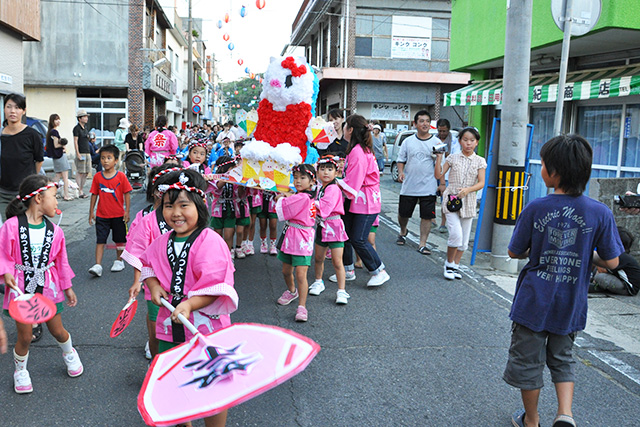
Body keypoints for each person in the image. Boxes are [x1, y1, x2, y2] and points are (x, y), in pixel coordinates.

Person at [504, 134, 624, 427]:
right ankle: (565, 414)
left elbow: (514, 250)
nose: (541, 169)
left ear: (554, 172)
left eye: (543, 164)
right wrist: (583, 253)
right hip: (570, 301)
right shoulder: (600, 212)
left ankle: (531, 420)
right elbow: (612, 262)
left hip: (533, 300)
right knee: (562, 358)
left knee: (529, 362)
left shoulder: (536, 208)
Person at [140, 169, 238, 427]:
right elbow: (147, 265)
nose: (176, 213)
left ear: (200, 205)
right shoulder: (162, 241)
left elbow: (217, 284)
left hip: (205, 327)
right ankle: (184, 421)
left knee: (213, 384)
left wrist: (190, 303)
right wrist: (153, 285)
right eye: (169, 206)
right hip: (168, 326)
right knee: (175, 380)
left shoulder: (210, 241)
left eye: (184, 205)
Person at [1, 174, 83, 394]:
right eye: (54, 196)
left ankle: (69, 353)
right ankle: (20, 370)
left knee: (57, 331)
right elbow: (3, 255)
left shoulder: (56, 231)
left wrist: (68, 287)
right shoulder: (10, 226)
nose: (57, 201)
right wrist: (6, 272)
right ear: (38, 198)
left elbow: (61, 261)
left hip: (48, 288)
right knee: (25, 336)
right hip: (20, 289)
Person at [123, 165, 178, 360]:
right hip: (155, 283)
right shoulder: (146, 219)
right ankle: (156, 364)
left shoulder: (184, 218)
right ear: (157, 192)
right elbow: (139, 254)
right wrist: (138, 281)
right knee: (156, 324)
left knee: (181, 328)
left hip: (184, 285)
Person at [335, 114, 390, 287]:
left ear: (350, 130)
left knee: (357, 238)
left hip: (365, 201)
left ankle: (378, 270)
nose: (343, 129)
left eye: (345, 126)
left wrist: (334, 181)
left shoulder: (358, 151)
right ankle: (348, 269)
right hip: (362, 199)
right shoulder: (361, 149)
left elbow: (353, 184)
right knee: (347, 234)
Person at [434, 127, 486, 280]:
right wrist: (439, 158)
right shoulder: (452, 158)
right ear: (460, 141)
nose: (468, 143)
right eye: (465, 140)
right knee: (456, 235)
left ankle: (455, 266)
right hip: (451, 199)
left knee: (463, 242)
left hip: (468, 201)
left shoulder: (480, 161)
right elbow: (438, 175)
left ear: (476, 142)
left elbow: (481, 183)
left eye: (472, 140)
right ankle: (449, 264)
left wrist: (468, 190)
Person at [396, 110, 443, 255]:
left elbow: (442, 165)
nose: (425, 124)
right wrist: (401, 172)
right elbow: (400, 159)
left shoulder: (437, 143)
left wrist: (442, 184)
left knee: (427, 216)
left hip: (428, 186)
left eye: (427, 121)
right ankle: (403, 230)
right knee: (403, 214)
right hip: (409, 185)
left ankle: (422, 244)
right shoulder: (408, 141)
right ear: (415, 124)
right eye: (421, 121)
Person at [275, 164, 317, 322]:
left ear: (311, 181)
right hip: (290, 235)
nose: (298, 181)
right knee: (286, 270)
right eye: (296, 177)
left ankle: (302, 306)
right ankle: (292, 291)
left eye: (303, 178)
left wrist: (281, 197)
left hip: (302, 238)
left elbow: (287, 205)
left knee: (301, 274)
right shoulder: (300, 195)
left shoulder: (303, 197)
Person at [88, 144, 133, 277]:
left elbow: (127, 193)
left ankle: (119, 261)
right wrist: (91, 212)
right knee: (100, 240)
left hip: (118, 215)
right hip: (102, 215)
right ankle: (98, 265)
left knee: (119, 239)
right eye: (102, 158)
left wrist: (127, 211)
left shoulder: (121, 177)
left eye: (109, 158)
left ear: (115, 160)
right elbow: (94, 194)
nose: (105, 161)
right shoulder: (97, 177)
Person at [309, 156, 349, 304]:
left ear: (335, 171)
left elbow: (324, 208)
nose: (326, 172)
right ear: (318, 171)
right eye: (323, 169)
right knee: (318, 258)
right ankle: (318, 281)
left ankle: (342, 291)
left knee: (337, 262)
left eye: (330, 169)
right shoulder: (320, 187)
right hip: (322, 226)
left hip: (334, 227)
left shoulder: (333, 188)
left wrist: (310, 202)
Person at [0, 94, 45, 219]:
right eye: (9, 107)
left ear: (23, 111)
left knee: (23, 230)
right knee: (7, 230)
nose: (12, 111)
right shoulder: (1, 135)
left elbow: (39, 160)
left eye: (17, 107)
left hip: (25, 194)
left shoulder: (32, 135)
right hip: (2, 193)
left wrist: (29, 181)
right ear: (4, 109)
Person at [209, 156, 249, 259]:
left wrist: (240, 185)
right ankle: (218, 255)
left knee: (229, 234)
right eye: (232, 168)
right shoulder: (215, 177)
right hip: (218, 208)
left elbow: (240, 195)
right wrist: (227, 177)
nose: (234, 170)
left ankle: (227, 256)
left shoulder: (236, 178)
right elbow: (216, 189)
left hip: (231, 209)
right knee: (218, 235)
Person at [589, 226, 640, 296]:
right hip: (618, 279)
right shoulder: (621, 255)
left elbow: (602, 269)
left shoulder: (621, 257)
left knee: (600, 277)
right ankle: (595, 283)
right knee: (596, 270)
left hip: (628, 287)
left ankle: (598, 287)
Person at [435, 118, 461, 234]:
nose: (442, 134)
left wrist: (446, 154)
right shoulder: (434, 139)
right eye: (440, 131)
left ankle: (443, 223)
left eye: (444, 131)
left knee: (445, 199)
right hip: (434, 172)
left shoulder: (454, 141)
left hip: (448, 174)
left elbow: (455, 156)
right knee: (431, 197)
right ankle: (432, 219)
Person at [46, 114, 73, 201]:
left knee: (57, 176)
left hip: (56, 157)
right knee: (65, 177)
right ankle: (66, 195)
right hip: (60, 156)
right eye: (56, 120)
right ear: (52, 121)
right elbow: (56, 145)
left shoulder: (50, 131)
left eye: (59, 119)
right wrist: (63, 145)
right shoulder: (54, 132)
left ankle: (52, 194)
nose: (58, 121)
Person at [73, 109, 92, 198]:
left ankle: (81, 188)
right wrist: (77, 153)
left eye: (86, 117)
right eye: (84, 117)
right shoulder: (77, 128)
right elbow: (75, 141)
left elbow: (86, 139)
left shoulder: (85, 128)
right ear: (79, 118)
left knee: (87, 172)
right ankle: (79, 190)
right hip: (81, 152)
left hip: (87, 151)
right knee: (80, 172)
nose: (86, 118)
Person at [258, 190, 278, 255]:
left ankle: (273, 244)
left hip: (273, 203)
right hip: (262, 201)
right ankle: (263, 243)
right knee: (262, 225)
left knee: (273, 225)